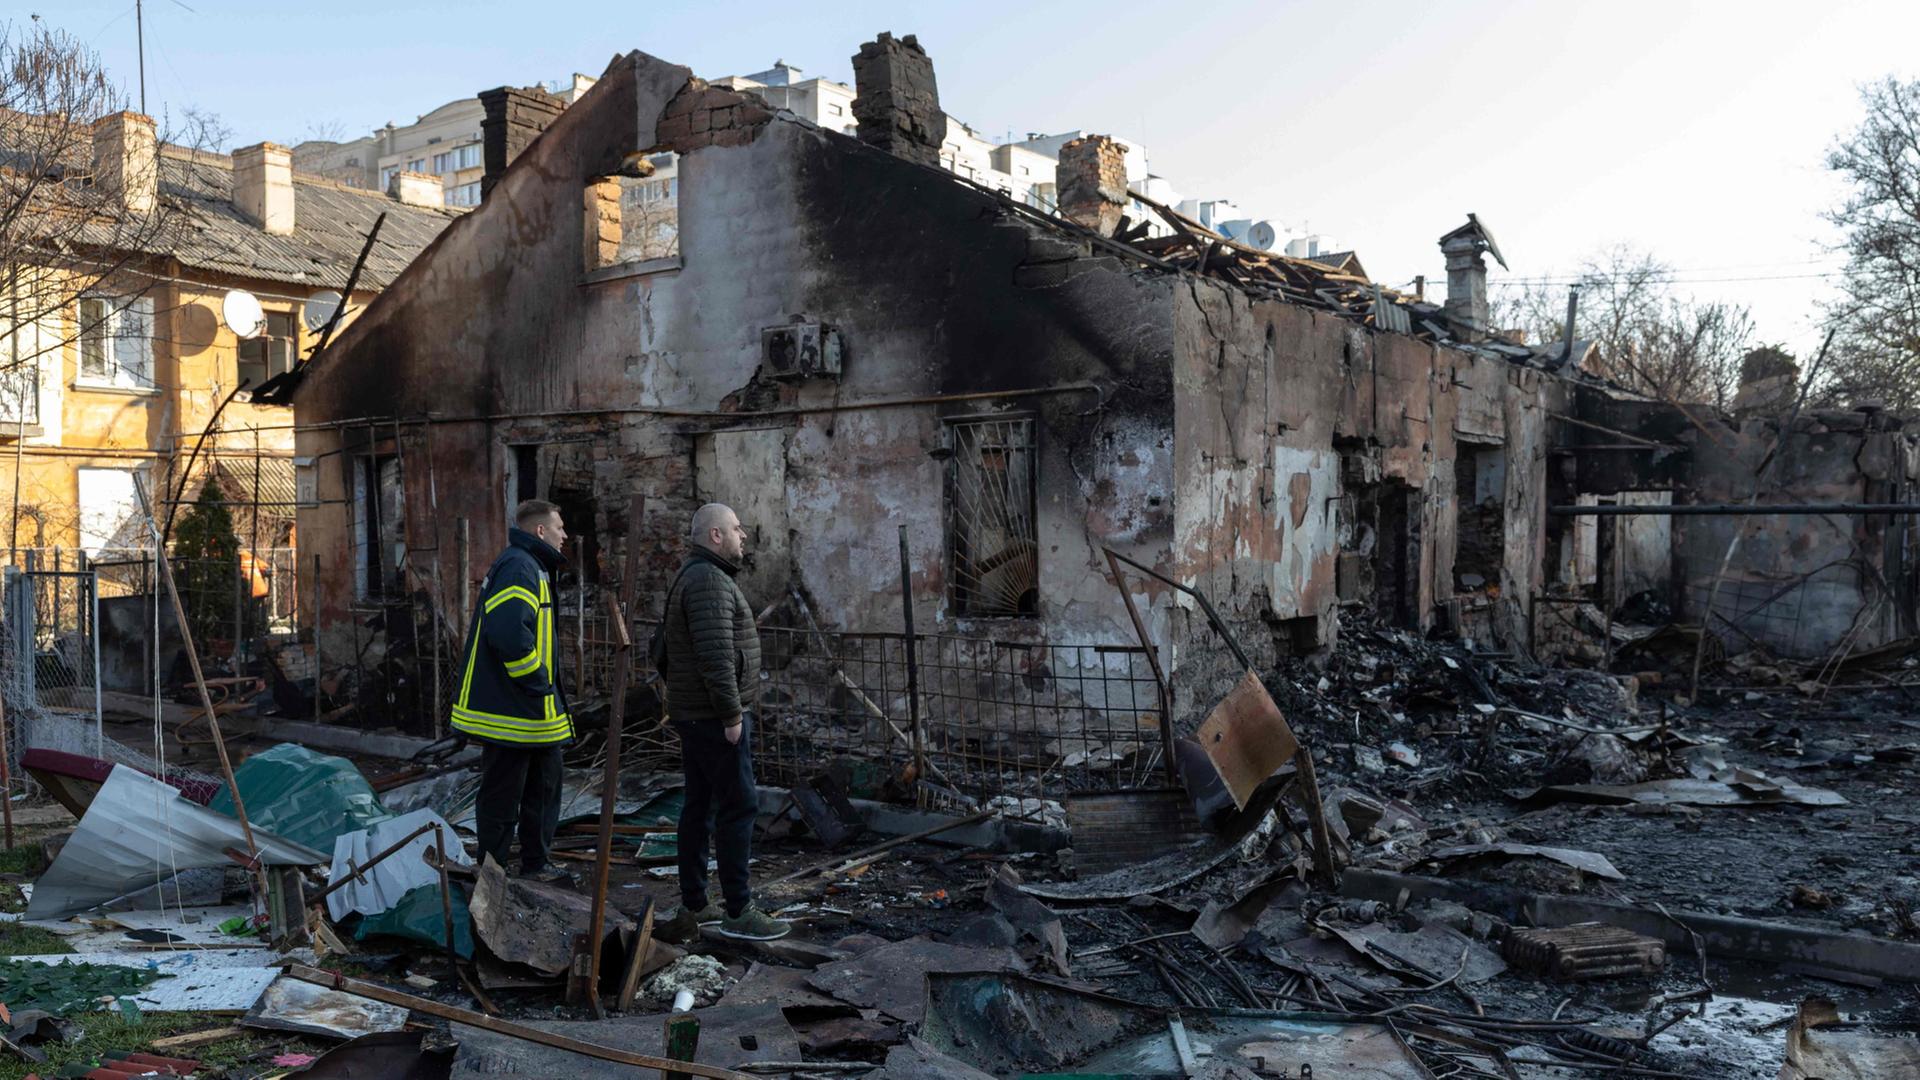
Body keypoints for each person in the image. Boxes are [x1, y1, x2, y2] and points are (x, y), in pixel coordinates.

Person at [656, 503, 791, 942]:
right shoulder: (709, 582)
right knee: (739, 805)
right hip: (713, 716)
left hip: (698, 714)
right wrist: (731, 715)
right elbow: (715, 657)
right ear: (715, 535)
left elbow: (671, 651)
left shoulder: (697, 575)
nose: (743, 535)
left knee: (701, 806)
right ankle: (738, 911)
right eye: (735, 528)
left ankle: (696, 905)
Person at [452, 499, 574, 884]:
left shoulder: (531, 565)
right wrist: (537, 680)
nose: (565, 535)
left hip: (532, 711)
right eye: (559, 528)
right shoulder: (520, 567)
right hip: (513, 710)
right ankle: (493, 871)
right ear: (540, 530)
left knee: (544, 786)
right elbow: (508, 634)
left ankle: (536, 865)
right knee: (503, 794)